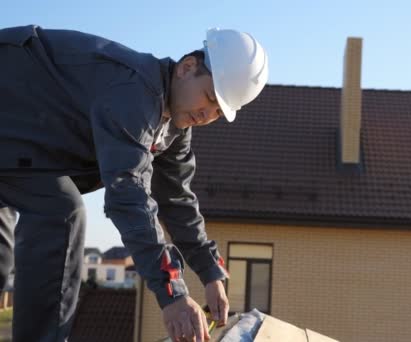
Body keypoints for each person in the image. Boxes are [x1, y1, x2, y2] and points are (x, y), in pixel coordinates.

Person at [0, 24, 268, 341]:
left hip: (20, 146)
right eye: (209, 97)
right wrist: (173, 295)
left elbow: (178, 202)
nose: (206, 113)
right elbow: (129, 197)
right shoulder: (134, 93)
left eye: (218, 112)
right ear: (187, 67)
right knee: (61, 213)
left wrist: (211, 274)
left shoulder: (173, 128)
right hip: (12, 115)